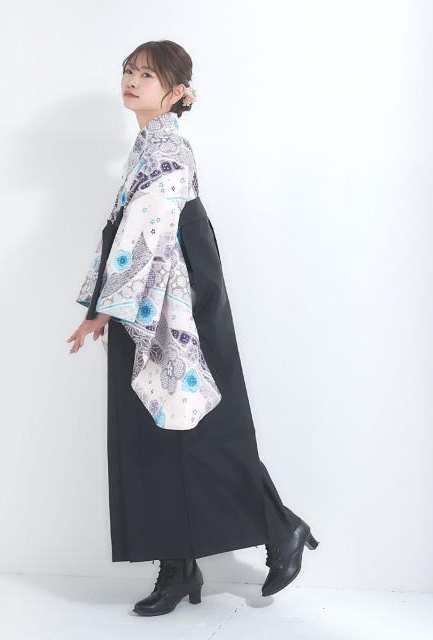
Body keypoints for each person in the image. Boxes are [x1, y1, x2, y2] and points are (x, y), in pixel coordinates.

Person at [67, 40, 319, 617]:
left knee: (200, 426)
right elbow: (128, 230)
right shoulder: (146, 145)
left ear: (177, 92)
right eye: (128, 71)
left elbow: (146, 230)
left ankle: (279, 527)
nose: (132, 81)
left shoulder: (169, 148)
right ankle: (178, 567)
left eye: (147, 75)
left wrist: (104, 306)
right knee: (154, 430)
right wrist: (105, 302)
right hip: (149, 295)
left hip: (176, 297)